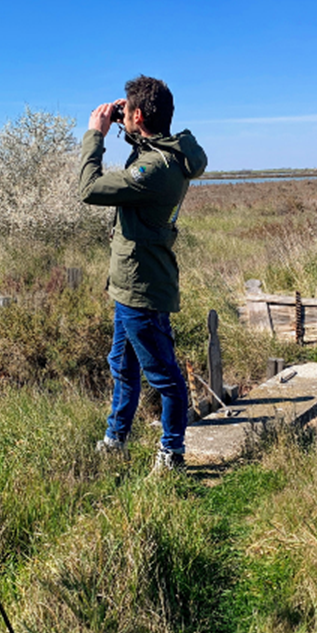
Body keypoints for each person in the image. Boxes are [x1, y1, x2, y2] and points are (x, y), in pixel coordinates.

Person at [79, 75, 208, 471]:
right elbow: (149, 143)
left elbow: (90, 188)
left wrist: (95, 135)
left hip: (143, 287)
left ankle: (172, 454)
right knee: (122, 365)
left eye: (129, 114)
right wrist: (128, 122)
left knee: (164, 376)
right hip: (129, 284)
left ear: (138, 114)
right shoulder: (168, 151)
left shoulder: (157, 168)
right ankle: (115, 437)